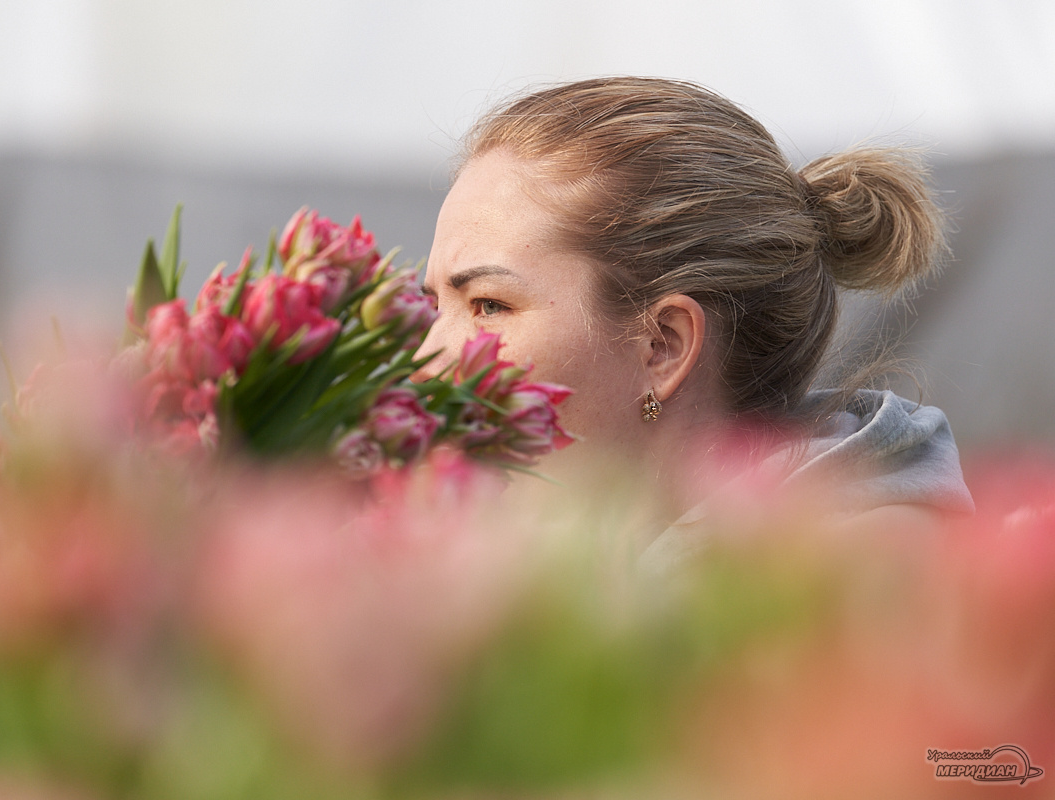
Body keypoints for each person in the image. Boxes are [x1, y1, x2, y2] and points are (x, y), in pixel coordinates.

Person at [413, 77, 973, 561]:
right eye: (435, 304)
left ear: (663, 346)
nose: (423, 362)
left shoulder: (840, 610)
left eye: (488, 305)